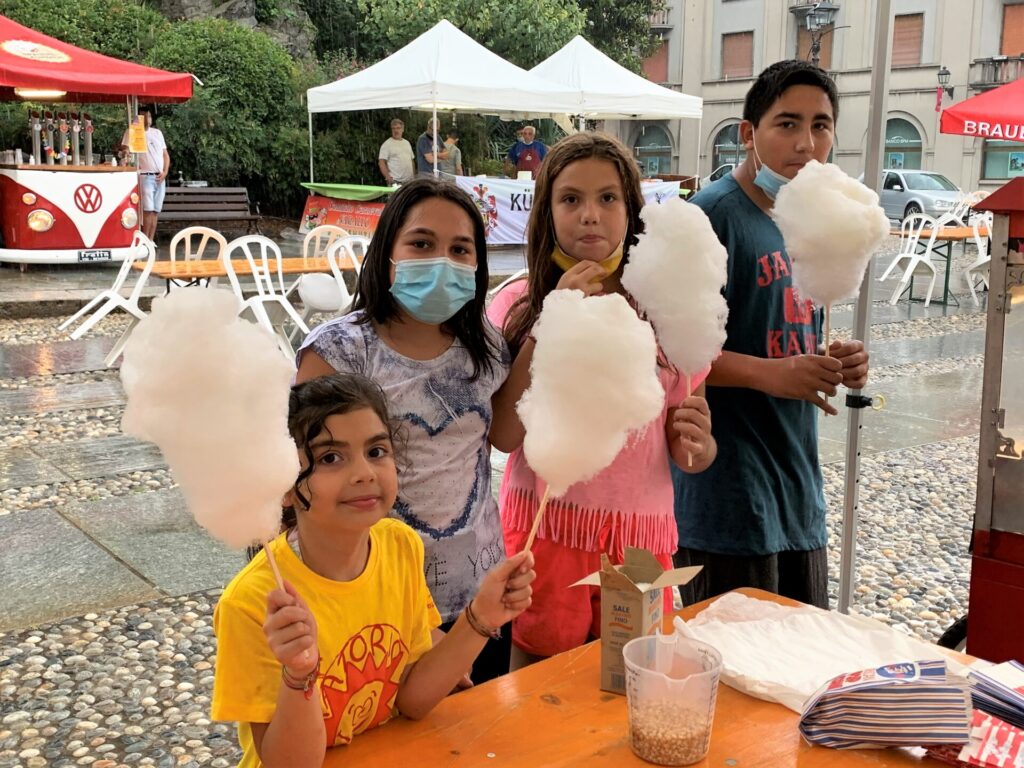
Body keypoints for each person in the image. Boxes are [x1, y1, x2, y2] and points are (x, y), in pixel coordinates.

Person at [211, 373, 535, 768]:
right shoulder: (253, 604)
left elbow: (412, 700)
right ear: (283, 483)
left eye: (377, 451)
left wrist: (482, 616)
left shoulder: (400, 545)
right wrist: (299, 675)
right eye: (330, 457)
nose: (365, 472)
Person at [487, 132, 717, 668]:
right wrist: (553, 319)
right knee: (538, 686)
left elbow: (689, 451)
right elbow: (503, 434)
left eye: (607, 198)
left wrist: (700, 446)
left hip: (641, 539)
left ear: (631, 210)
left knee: (630, 682)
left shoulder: (667, 310)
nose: (590, 214)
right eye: (571, 199)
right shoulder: (517, 304)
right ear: (547, 213)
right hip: (547, 531)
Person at [295, 178, 514, 683]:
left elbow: (505, 435)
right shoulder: (339, 354)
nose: (442, 261)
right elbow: (301, 483)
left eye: (461, 249)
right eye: (421, 244)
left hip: (479, 596)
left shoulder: (486, 346)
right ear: (387, 250)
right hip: (380, 606)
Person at [671, 60, 870, 610]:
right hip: (727, 498)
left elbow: (793, 328)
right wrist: (772, 374)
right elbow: (672, 355)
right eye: (787, 124)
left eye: (821, 125)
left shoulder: (811, 222)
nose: (807, 143)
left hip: (798, 491)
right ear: (748, 133)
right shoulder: (711, 218)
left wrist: (838, 360)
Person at [120, 107, 169, 241]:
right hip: (145, 175)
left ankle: (151, 240)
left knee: (155, 211)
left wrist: (165, 172)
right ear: (138, 118)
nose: (146, 119)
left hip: (160, 176)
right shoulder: (132, 132)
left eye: (148, 116)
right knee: (147, 210)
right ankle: (144, 241)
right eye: (143, 116)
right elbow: (125, 150)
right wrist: (126, 154)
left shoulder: (157, 133)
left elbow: (165, 154)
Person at [377, 118, 415, 185]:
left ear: (403, 129)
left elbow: (411, 161)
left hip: (409, 181)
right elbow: (381, 162)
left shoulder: (407, 143)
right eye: (393, 128)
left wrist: (414, 176)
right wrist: (387, 177)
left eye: (398, 128)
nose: (396, 130)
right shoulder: (387, 144)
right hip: (395, 181)